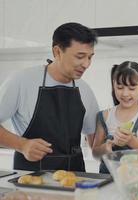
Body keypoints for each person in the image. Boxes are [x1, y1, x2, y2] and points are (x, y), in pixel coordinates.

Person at [0, 22, 99, 171]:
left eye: (90, 57)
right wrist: (22, 145)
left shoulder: (84, 90)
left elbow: (95, 142)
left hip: (75, 181)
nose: (86, 64)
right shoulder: (22, 81)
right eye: (80, 56)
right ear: (57, 52)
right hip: (31, 183)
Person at [92, 61, 138, 174]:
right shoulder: (104, 116)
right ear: (113, 85)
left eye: (132, 89)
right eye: (120, 87)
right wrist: (107, 147)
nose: (125, 93)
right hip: (107, 182)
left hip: (137, 183)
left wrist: (132, 141)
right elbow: (95, 153)